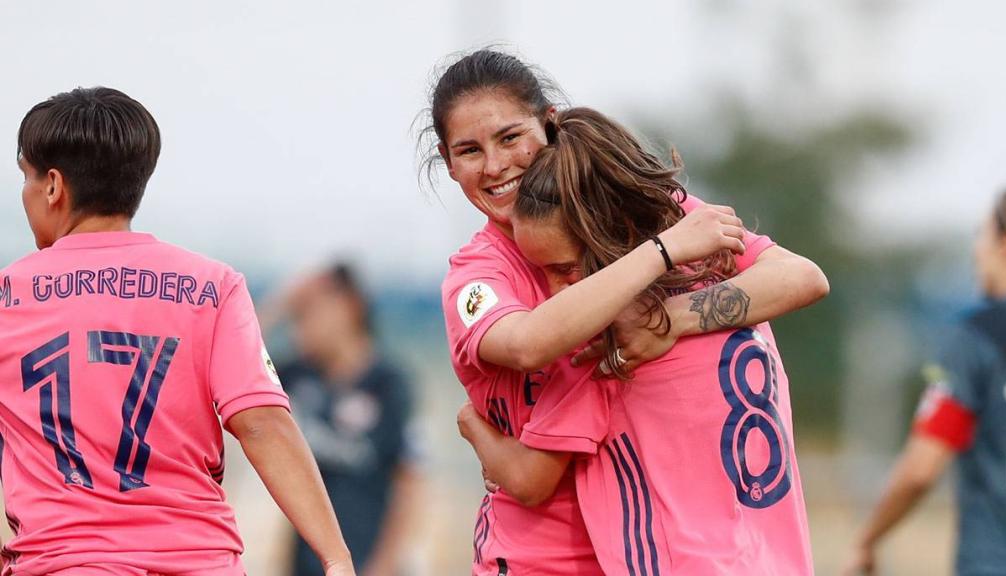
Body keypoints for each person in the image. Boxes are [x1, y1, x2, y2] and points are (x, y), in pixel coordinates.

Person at [425, 49, 828, 574]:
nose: (497, 166)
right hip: (539, 558)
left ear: (549, 124)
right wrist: (660, 257)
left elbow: (801, 276)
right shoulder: (480, 273)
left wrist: (673, 318)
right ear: (448, 162)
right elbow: (526, 345)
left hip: (662, 551)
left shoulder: (648, 216)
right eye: (469, 150)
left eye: (509, 137)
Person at [0, 87, 354, 576]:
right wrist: (335, 556)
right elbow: (262, 423)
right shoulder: (213, 287)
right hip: (198, 562)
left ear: (54, 186)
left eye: (26, 177)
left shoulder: (9, 297)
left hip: (67, 562)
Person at [842, 184, 1006, 576]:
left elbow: (922, 468)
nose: (978, 251)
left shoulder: (978, 336)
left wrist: (868, 538)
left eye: (984, 235)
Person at [277, 263, 419, 576]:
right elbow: (236, 359)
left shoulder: (389, 383)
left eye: (312, 311)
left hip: (365, 562)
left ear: (349, 307)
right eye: (298, 315)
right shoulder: (298, 375)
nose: (302, 324)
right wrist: (279, 303)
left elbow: (410, 480)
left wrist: (384, 565)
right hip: (305, 563)